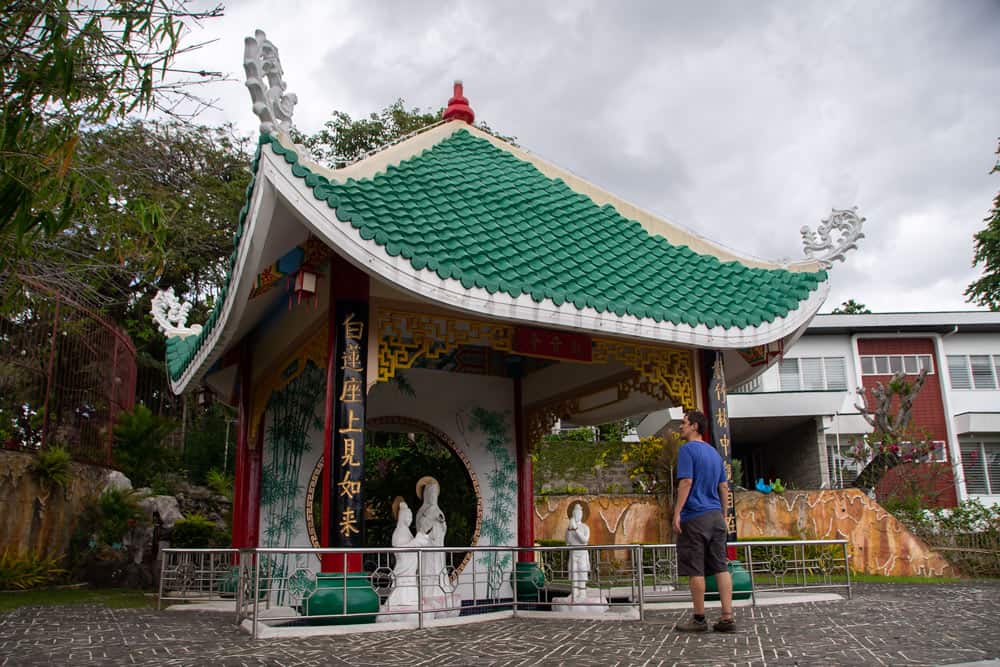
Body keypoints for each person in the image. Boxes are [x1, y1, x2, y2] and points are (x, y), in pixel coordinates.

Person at [673, 409, 736, 633]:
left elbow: (686, 482)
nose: (681, 426)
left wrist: (677, 512)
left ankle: (699, 619)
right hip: (716, 517)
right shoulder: (715, 454)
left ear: (695, 426)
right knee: (721, 567)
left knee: (696, 570)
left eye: (684, 423)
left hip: (695, 517)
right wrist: (724, 515)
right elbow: (724, 487)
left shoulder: (687, 450)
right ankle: (727, 617)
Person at [384, 497, 430, 609]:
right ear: (402, 516)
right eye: (408, 516)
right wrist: (418, 540)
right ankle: (401, 601)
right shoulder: (399, 532)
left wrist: (419, 540)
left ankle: (410, 600)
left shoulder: (406, 531)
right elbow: (402, 549)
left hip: (410, 568)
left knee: (410, 585)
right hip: (404, 566)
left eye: (411, 517)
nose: (410, 519)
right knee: (404, 586)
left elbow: (411, 546)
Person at [415, 476, 447, 594]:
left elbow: (444, 529)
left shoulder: (439, 510)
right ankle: (426, 592)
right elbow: (421, 528)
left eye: (434, 494)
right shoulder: (422, 511)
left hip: (437, 547)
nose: (433, 496)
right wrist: (429, 515)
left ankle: (441, 590)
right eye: (431, 494)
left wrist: (442, 522)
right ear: (426, 495)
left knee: (439, 569)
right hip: (427, 547)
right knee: (428, 569)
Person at [565, 501, 591, 600]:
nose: (577, 515)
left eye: (579, 513)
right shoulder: (569, 528)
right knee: (574, 572)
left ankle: (582, 592)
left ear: (582, 514)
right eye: (575, 513)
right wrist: (570, 529)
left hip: (582, 553)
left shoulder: (585, 527)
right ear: (572, 514)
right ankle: (574, 592)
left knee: (582, 572)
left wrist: (576, 529)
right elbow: (567, 542)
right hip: (573, 553)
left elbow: (585, 540)